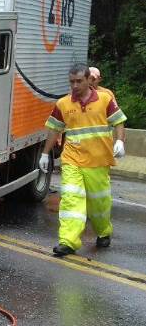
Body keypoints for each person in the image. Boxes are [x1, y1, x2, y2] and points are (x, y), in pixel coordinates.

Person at [41, 63, 127, 256]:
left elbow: (119, 121)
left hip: (98, 161)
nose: (75, 85)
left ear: (89, 80)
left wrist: (120, 141)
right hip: (72, 159)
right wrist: (45, 153)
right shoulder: (63, 104)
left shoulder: (105, 99)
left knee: (99, 204)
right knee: (71, 200)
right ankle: (68, 241)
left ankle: (104, 232)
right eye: (71, 81)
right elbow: (55, 129)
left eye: (79, 81)